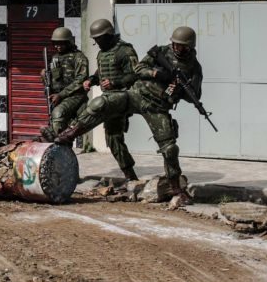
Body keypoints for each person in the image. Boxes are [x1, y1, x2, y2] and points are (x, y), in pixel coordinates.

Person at [56, 26, 202, 207]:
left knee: (170, 148)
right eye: (175, 44)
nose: (177, 48)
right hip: (136, 95)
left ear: (189, 46)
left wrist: (180, 88)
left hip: (157, 107)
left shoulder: (194, 68)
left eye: (182, 46)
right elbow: (139, 68)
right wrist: (156, 73)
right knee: (101, 103)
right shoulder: (162, 52)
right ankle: (69, 134)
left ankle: (176, 189)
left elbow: (195, 94)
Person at [77, 18, 139, 181]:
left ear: (109, 35)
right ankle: (129, 174)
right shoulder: (102, 53)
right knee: (112, 138)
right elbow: (101, 73)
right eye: (95, 39)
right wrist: (91, 80)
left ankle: (130, 175)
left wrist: (115, 82)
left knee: (114, 136)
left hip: (121, 98)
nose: (97, 42)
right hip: (107, 98)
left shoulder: (125, 51)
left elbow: (135, 75)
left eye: (100, 38)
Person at [38, 26, 88, 141]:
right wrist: (44, 76)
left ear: (69, 42)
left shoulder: (79, 57)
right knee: (60, 126)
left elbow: (80, 79)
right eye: (55, 43)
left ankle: (52, 139)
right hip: (58, 97)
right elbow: (53, 81)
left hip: (75, 96)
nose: (58, 46)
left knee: (58, 114)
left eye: (61, 43)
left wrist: (61, 95)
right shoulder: (55, 58)